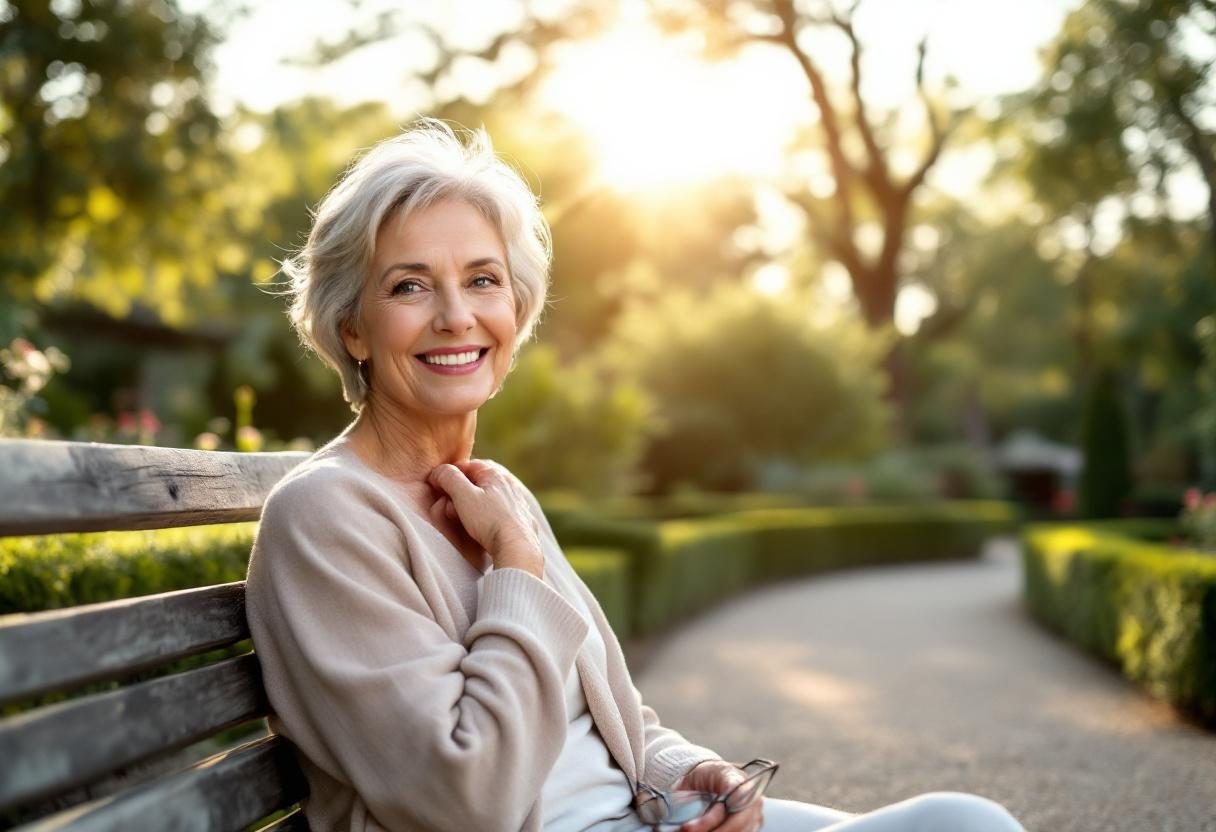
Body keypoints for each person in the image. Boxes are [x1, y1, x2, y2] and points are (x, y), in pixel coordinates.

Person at [243, 118, 1027, 832]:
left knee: (967, 821)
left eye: (482, 279)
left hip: (643, 820)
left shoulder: (493, 491)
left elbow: (609, 711)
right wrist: (515, 569)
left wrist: (684, 771)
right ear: (352, 327)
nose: (456, 315)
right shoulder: (325, 516)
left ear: (515, 308)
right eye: (409, 286)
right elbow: (463, 799)